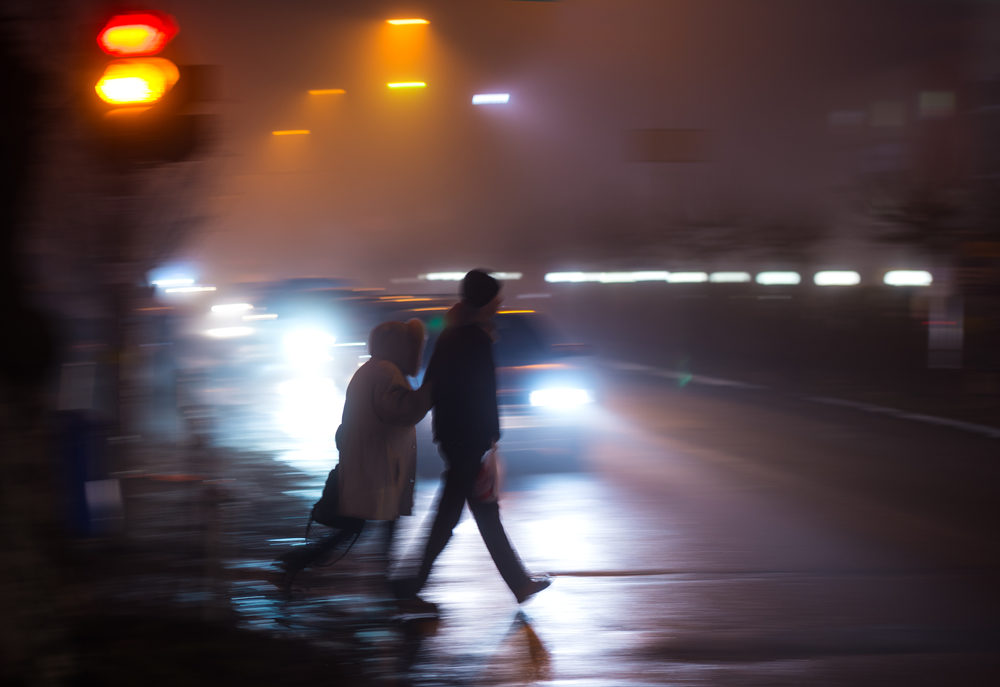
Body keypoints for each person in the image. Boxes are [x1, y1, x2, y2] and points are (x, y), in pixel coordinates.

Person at [396, 269, 551, 605]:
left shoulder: (454, 335)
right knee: (450, 515)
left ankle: (518, 583)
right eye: (496, 296)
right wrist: (491, 434)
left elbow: (437, 385)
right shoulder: (473, 339)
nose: (500, 301)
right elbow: (482, 392)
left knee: (483, 511)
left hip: (456, 435)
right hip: (468, 437)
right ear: (485, 300)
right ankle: (411, 585)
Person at [275, 319, 431, 591]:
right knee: (370, 520)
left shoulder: (372, 369)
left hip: (370, 460)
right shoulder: (386, 372)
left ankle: (299, 561)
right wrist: (427, 396)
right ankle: (380, 575)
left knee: (358, 523)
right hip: (377, 463)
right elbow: (398, 411)